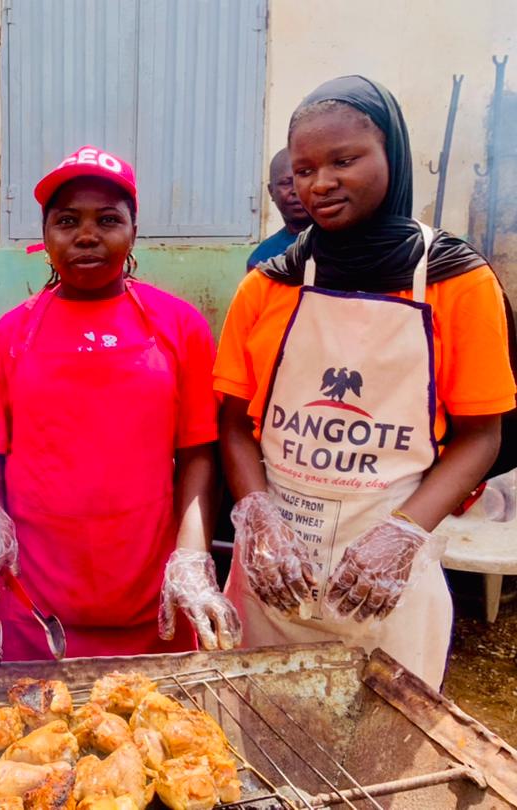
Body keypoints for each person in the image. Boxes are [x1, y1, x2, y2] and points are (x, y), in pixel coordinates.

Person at [217, 77, 515, 688]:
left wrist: (402, 535)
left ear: (393, 156)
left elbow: (482, 436)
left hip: (386, 587)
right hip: (275, 577)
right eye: (303, 169)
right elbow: (232, 421)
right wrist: (256, 515)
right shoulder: (269, 283)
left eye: (343, 160)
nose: (319, 183)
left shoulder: (457, 282)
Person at [0, 145, 240, 661]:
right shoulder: (10, 333)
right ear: (44, 236)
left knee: (155, 734)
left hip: (151, 597)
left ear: (134, 230)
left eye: (107, 220)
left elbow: (201, 450)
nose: (86, 235)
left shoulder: (180, 326)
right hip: (33, 602)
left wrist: (191, 554)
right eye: (67, 221)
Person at [246, 148, 313, 271]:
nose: (295, 191)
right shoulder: (262, 258)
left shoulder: (346, 245)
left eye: (303, 181)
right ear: (271, 192)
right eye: (286, 183)